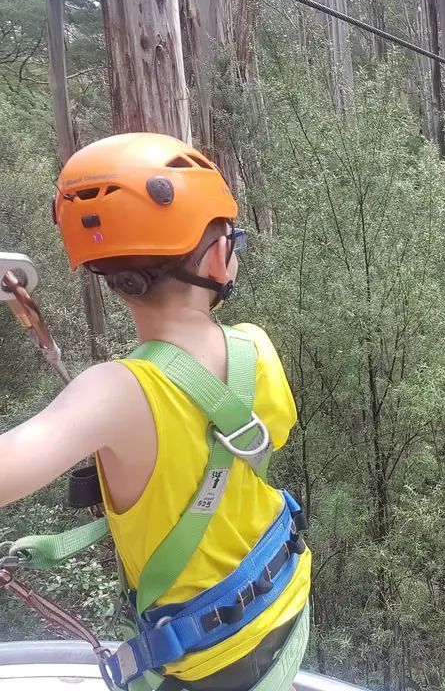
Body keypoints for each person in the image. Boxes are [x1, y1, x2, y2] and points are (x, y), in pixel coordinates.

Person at [0, 133, 311, 691]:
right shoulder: (256, 349)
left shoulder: (113, 393)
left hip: (200, 665)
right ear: (219, 255)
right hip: (280, 613)